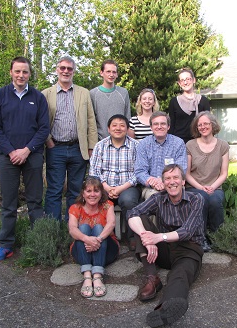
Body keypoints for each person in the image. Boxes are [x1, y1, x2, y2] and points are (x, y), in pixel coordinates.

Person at [127, 164, 204, 328]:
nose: (172, 182)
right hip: (164, 249)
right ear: (163, 183)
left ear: (183, 181)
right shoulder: (158, 198)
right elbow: (132, 213)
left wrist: (158, 237)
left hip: (188, 249)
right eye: (167, 179)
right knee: (140, 221)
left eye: (176, 177)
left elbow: (187, 231)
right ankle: (152, 277)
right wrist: (146, 237)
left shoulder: (196, 200)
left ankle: (166, 306)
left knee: (180, 274)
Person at [0, 56, 49, 262]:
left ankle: (38, 241)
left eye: (25, 72)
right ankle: (6, 245)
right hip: (7, 158)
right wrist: (11, 151)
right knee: (8, 203)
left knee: (35, 202)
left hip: (32, 156)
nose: (21, 75)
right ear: (11, 72)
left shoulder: (38, 97)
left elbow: (43, 129)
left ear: (30, 74)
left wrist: (27, 150)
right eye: (17, 71)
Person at [42, 56, 98, 221]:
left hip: (77, 148)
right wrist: (48, 141)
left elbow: (90, 121)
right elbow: (41, 121)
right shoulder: (46, 94)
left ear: (73, 71)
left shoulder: (83, 93)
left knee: (75, 190)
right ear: (57, 70)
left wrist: (91, 146)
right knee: (54, 189)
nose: (66, 71)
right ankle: (53, 227)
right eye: (63, 68)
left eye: (69, 69)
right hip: (55, 148)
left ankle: (72, 226)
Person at [89, 114, 140, 250]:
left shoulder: (136, 146)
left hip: (128, 186)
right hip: (104, 187)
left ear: (127, 129)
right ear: (109, 129)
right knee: (94, 198)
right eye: (114, 125)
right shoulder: (100, 146)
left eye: (122, 125)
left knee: (129, 201)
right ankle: (103, 235)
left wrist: (120, 188)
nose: (118, 128)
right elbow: (94, 172)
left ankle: (132, 236)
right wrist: (106, 187)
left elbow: (139, 172)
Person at [69, 176, 119, 297]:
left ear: (101, 193)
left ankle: (97, 276)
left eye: (96, 191)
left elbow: (111, 224)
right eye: (89, 191)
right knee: (83, 228)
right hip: (82, 251)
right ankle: (87, 275)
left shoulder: (108, 205)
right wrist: (87, 239)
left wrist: (98, 240)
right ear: (83, 193)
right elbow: (72, 229)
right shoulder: (75, 208)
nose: (92, 194)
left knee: (98, 228)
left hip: (106, 251)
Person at [185, 111, 229, 251]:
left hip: (215, 187)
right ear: (196, 128)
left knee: (215, 200)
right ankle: (200, 238)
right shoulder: (190, 145)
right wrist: (201, 187)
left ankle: (218, 238)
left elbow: (224, 173)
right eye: (200, 125)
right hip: (194, 186)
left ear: (213, 125)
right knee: (201, 198)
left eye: (206, 123)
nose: (203, 127)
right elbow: (187, 174)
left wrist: (212, 187)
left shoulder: (223, 145)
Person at [135, 111, 187, 200]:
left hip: (174, 184)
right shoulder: (143, 144)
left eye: (163, 124)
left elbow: (181, 169)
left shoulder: (178, 143)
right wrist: (154, 182)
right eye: (156, 124)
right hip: (151, 187)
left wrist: (166, 182)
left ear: (168, 126)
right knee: (156, 198)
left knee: (176, 196)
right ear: (151, 127)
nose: (159, 127)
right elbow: (140, 171)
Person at [90, 59, 131, 140]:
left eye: (114, 72)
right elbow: (91, 122)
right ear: (101, 73)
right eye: (108, 71)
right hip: (100, 142)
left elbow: (127, 118)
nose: (111, 75)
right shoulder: (92, 94)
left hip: (121, 141)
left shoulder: (123, 93)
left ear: (117, 74)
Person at [168, 68, 210, 143]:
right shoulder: (174, 102)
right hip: (179, 143)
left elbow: (209, 125)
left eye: (188, 79)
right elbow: (171, 127)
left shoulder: (203, 101)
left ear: (194, 80)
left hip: (199, 142)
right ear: (179, 83)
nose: (185, 82)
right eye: (182, 80)